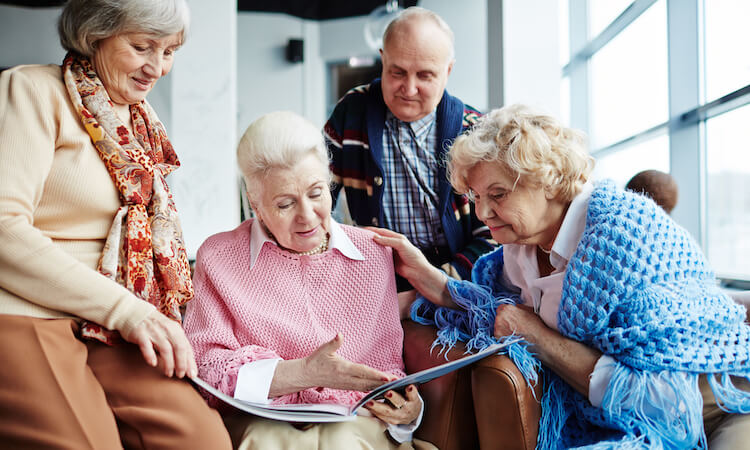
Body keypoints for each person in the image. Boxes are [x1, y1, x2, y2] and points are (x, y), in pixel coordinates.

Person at [372, 104, 750, 448]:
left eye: (498, 194)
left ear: (549, 180)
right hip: (617, 412)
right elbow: (493, 308)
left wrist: (537, 337)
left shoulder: (624, 234)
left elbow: (665, 404)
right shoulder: (520, 246)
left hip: (713, 405)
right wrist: (430, 281)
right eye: (475, 196)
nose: (483, 211)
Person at [0, 0, 231, 448]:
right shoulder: (32, 89)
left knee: (202, 441)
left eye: (170, 51)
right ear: (95, 34)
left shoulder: (143, 122)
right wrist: (127, 311)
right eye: (143, 47)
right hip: (28, 310)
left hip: (110, 319)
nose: (158, 67)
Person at [184, 111, 433, 450]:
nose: (306, 215)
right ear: (254, 204)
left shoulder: (372, 253)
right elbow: (207, 368)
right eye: (285, 203)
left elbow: (387, 368)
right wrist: (303, 373)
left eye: (316, 194)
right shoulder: (219, 256)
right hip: (263, 420)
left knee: (343, 441)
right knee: (266, 440)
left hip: (353, 425)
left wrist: (408, 411)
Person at [323, 7, 493, 290]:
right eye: (397, 72)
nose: (409, 88)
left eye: (425, 76)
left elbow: (495, 238)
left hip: (458, 280)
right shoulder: (351, 112)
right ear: (382, 60)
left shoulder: (475, 131)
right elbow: (316, 193)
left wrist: (436, 285)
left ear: (447, 71)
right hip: (374, 278)